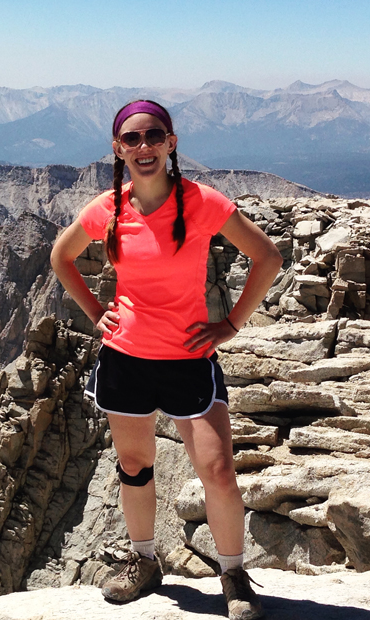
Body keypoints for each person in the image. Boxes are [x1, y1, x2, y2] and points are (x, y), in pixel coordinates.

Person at [50, 100, 282, 620]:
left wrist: (231, 324)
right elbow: (60, 257)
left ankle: (233, 574)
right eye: (131, 139)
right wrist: (95, 312)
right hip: (126, 358)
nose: (143, 146)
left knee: (218, 470)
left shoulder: (201, 202)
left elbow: (267, 256)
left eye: (154, 135)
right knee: (135, 465)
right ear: (118, 149)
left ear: (171, 143)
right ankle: (144, 562)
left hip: (188, 356)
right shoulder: (107, 208)